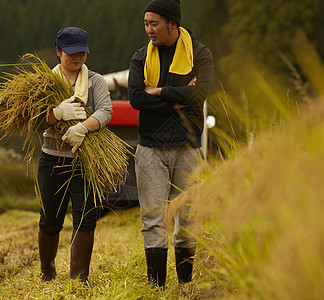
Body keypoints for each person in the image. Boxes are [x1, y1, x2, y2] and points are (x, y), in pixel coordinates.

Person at [128, 0, 214, 287]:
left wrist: (160, 91)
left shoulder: (200, 54)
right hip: (150, 148)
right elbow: (137, 99)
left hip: (189, 148)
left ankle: (185, 286)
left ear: (172, 24)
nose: (148, 29)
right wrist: (177, 100)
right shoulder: (140, 57)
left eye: (154, 23)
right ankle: (157, 288)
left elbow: (200, 93)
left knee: (188, 220)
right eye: (146, 23)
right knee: (153, 220)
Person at [36, 27, 112, 287]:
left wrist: (83, 127)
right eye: (71, 53)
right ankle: (47, 272)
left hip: (86, 161)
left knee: (86, 216)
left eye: (82, 53)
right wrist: (56, 113)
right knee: (50, 219)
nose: (77, 58)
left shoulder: (95, 81)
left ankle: (80, 278)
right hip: (52, 159)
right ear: (58, 52)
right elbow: (33, 120)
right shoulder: (45, 83)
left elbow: (105, 111)